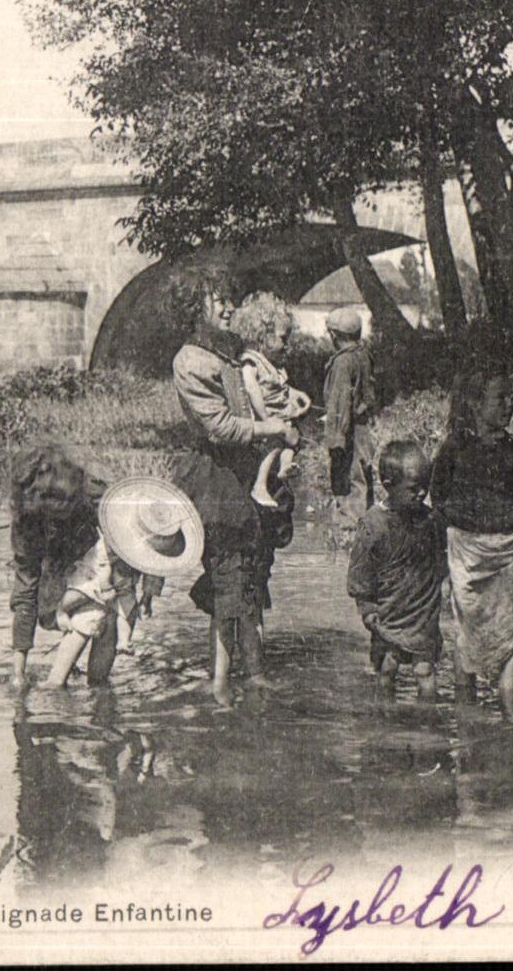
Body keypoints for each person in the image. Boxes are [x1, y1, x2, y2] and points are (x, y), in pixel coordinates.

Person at [168, 264, 297, 699]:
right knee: (228, 578)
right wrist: (274, 430)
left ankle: (250, 671)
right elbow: (220, 428)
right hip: (216, 479)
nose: (227, 306)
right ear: (193, 308)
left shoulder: (227, 351)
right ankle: (222, 683)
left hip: (243, 473)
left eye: (227, 298)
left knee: (250, 574)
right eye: (216, 299)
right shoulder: (189, 362)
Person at [431, 367, 513, 722]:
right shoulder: (455, 447)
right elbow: (438, 495)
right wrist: (463, 520)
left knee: (507, 625)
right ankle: (467, 704)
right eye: (500, 397)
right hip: (466, 550)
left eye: (511, 397)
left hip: (507, 550)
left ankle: (509, 699)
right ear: (474, 403)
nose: (509, 403)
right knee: (467, 621)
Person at [43, 477, 202, 688]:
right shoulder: (115, 539)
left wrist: (147, 597)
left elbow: (155, 572)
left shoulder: (154, 549)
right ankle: (60, 673)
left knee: (102, 667)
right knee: (59, 674)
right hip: (94, 588)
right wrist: (104, 585)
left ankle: (98, 693)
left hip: (119, 597)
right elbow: (96, 573)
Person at [346, 441, 447, 700]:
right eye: (414, 488)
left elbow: (441, 562)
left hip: (422, 615)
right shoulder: (373, 524)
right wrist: (367, 608)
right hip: (388, 616)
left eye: (426, 486)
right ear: (389, 486)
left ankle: (429, 726)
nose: (422, 493)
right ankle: (385, 720)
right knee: (387, 668)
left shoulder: (432, 521)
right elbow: (360, 572)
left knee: (425, 671)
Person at [7, 443, 107, 687]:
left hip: (93, 557)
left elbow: (125, 540)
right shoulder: (26, 523)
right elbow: (25, 592)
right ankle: (62, 679)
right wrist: (18, 673)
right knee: (48, 610)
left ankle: (98, 686)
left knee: (102, 610)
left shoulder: (92, 493)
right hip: (59, 567)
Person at [231, 292, 312, 509]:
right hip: (269, 416)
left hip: (283, 415)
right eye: (282, 338)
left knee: (291, 441)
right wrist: (266, 419)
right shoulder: (251, 361)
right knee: (276, 442)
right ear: (262, 336)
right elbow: (252, 388)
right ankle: (260, 484)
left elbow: (280, 386)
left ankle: (286, 467)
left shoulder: (272, 363)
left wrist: (296, 394)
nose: (286, 344)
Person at [322, 307, 379, 546]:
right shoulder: (363, 354)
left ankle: (349, 534)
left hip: (349, 432)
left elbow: (339, 402)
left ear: (334, 335)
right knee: (363, 478)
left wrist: (336, 438)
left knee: (347, 482)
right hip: (363, 429)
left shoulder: (342, 362)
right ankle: (364, 528)